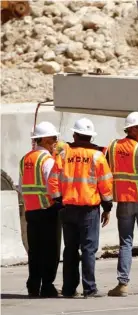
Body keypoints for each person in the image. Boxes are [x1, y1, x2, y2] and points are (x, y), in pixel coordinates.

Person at [48, 117, 114, 298]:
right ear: (91, 137)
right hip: (89, 210)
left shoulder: (63, 155)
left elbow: (52, 180)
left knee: (70, 249)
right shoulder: (98, 156)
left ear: (75, 135)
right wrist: (107, 207)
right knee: (88, 249)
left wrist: (58, 201)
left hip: (68, 208)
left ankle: (69, 289)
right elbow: (106, 185)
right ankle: (89, 289)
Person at [106, 112, 138, 297]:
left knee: (126, 243)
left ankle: (122, 284)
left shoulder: (112, 147)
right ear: (132, 129)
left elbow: (105, 171)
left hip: (124, 203)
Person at [19, 121, 62, 298]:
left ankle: (33, 285)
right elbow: (53, 186)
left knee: (35, 251)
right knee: (51, 250)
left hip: (31, 211)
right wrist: (60, 203)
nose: (55, 142)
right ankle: (47, 286)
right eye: (53, 138)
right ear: (44, 139)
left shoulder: (25, 159)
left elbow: (22, 187)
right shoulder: (47, 160)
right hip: (48, 209)